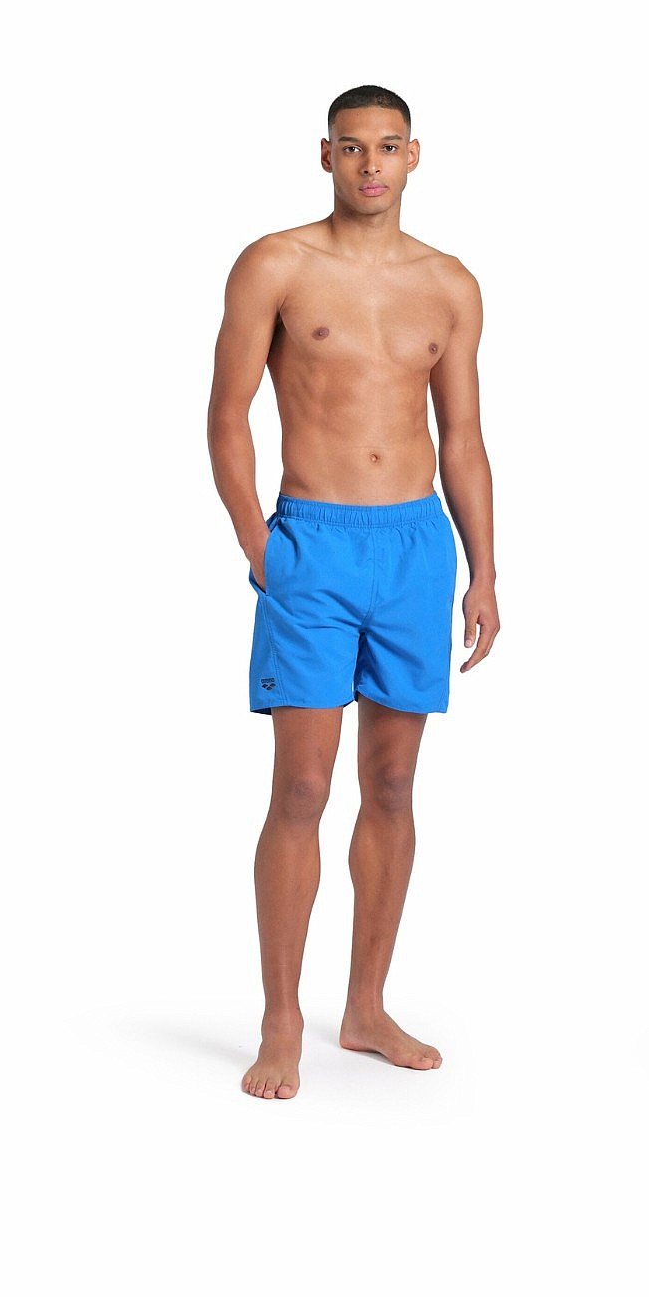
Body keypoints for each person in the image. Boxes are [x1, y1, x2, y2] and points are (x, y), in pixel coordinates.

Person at [207, 84, 499, 1100]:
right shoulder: (276, 264)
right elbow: (227, 414)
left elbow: (463, 437)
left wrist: (484, 569)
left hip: (415, 546)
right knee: (300, 787)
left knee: (392, 785)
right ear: (325, 155)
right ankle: (280, 1019)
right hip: (314, 544)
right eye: (351, 147)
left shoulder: (449, 284)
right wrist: (258, 542)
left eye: (386, 146)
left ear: (413, 156)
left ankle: (365, 1006)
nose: (370, 164)